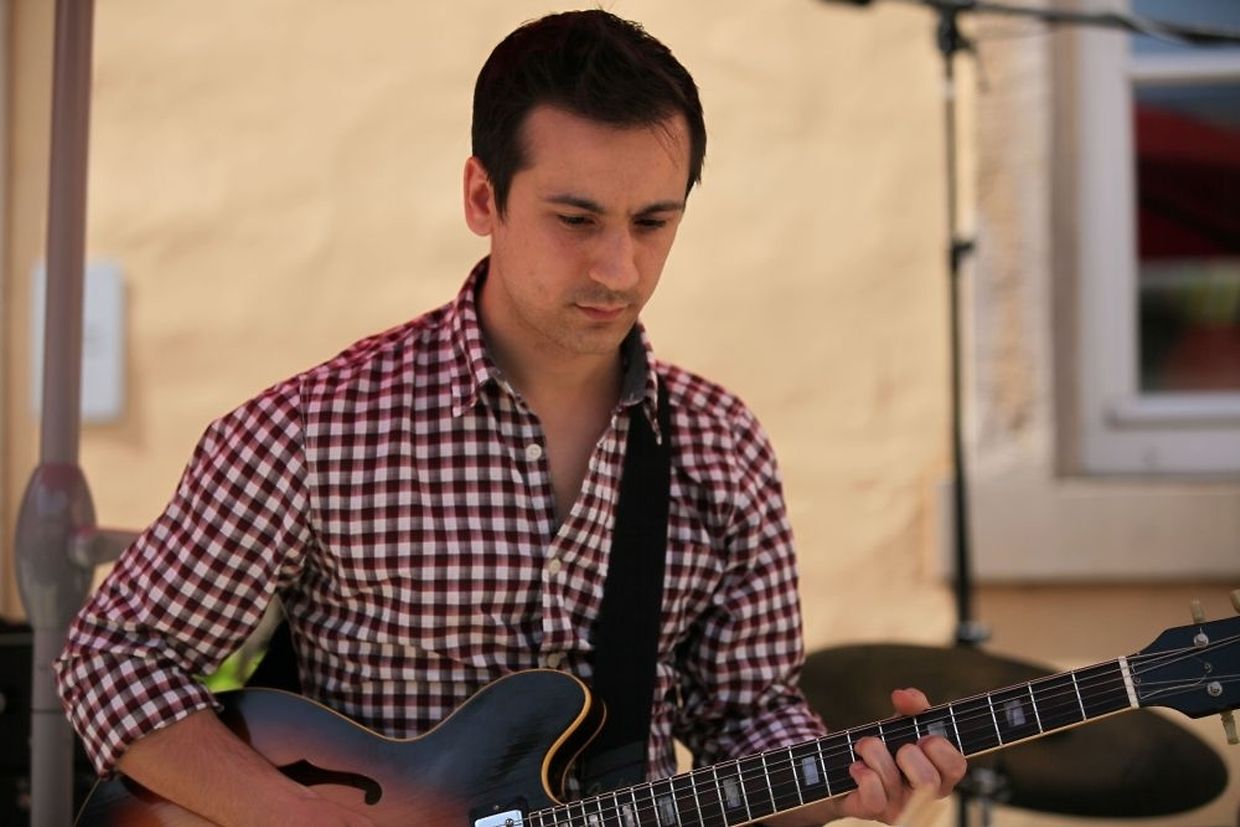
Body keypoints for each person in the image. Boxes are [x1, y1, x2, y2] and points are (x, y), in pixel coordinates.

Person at [55, 10, 965, 826]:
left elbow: (745, 719)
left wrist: (847, 782)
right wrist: (290, 816)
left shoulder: (721, 446)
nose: (619, 268)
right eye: (577, 219)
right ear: (482, 198)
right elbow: (112, 655)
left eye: (653, 222)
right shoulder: (313, 430)